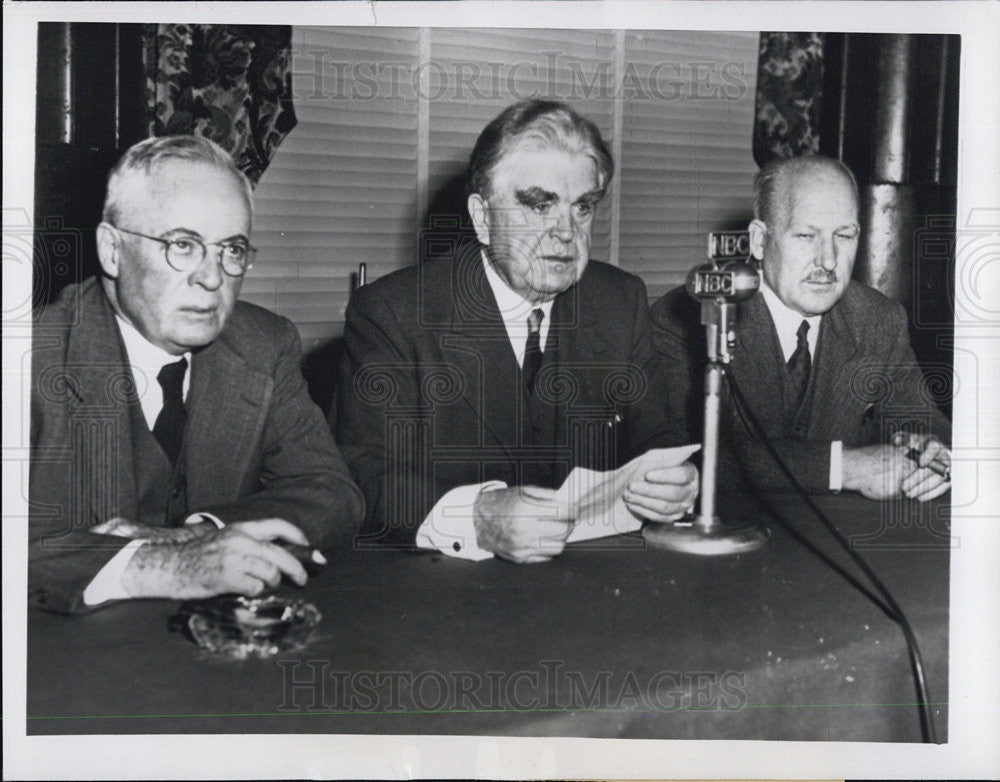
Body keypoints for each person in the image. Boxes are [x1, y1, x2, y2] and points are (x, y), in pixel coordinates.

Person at [335, 99, 698, 563]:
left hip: (591, 584)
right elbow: (358, 476)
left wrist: (674, 481)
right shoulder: (394, 312)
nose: (566, 232)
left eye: (582, 207)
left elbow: (657, 441)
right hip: (447, 593)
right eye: (539, 205)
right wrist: (476, 518)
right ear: (482, 218)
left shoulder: (617, 300)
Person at [30, 135, 364, 614]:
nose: (213, 277)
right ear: (112, 250)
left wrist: (203, 533)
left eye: (231, 249)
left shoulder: (262, 344)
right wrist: (165, 564)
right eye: (183, 245)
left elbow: (332, 492)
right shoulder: (29, 358)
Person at [649, 155, 951, 501]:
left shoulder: (878, 320)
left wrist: (935, 453)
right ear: (760, 241)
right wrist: (842, 468)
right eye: (807, 235)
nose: (829, 260)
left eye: (845, 235)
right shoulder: (688, 317)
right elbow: (689, 453)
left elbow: (929, 427)